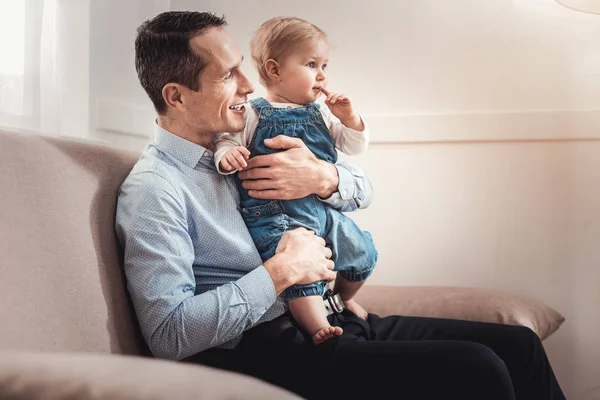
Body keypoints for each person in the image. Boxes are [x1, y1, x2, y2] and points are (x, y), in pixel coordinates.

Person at [115, 10, 566, 400]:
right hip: (273, 348)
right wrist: (282, 272)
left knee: (519, 345)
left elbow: (362, 192)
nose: (249, 85)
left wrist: (325, 177)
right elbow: (168, 335)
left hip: (333, 313)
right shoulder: (157, 190)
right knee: (476, 366)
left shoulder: (248, 138)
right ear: (175, 95)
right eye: (228, 74)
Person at [213, 16, 376, 344]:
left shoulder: (324, 114)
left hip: (322, 210)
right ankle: (317, 327)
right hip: (275, 216)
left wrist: (350, 119)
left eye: (325, 65)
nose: (321, 76)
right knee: (298, 270)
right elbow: (227, 141)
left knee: (362, 249)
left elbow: (353, 145)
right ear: (274, 70)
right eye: (311, 64)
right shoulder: (252, 113)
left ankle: (343, 297)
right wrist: (226, 155)